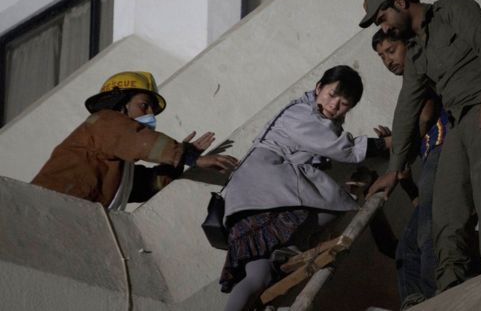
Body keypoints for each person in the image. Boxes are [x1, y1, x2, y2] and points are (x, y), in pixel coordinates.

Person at [360, 0, 481, 292]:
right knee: (445, 208)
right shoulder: (417, 52)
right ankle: (450, 285)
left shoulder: (455, 9)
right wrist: (395, 170)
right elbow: (407, 107)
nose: (383, 26)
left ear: (399, 3)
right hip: (458, 119)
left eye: (381, 18)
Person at [218, 65, 388, 311]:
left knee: (260, 278)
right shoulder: (301, 114)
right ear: (318, 88)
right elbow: (343, 148)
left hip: (261, 198)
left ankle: (288, 247)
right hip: (261, 197)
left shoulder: (317, 118)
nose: (334, 105)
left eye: (344, 104)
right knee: (336, 200)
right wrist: (386, 144)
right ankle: (291, 244)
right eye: (332, 95)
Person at [31, 71, 238, 210]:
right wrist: (189, 156)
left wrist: (181, 160)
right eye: (144, 105)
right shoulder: (103, 121)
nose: (150, 115)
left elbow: (149, 185)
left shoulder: (118, 167)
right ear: (121, 105)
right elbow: (135, 138)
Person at [372, 29, 448, 307]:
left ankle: (434, 297)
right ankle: (416, 300)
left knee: (429, 235)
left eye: (391, 51)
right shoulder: (412, 81)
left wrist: (399, 145)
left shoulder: (421, 75)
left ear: (408, 45)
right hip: (431, 159)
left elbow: (424, 117)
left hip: (444, 152)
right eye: (381, 57)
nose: (387, 61)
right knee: (407, 247)